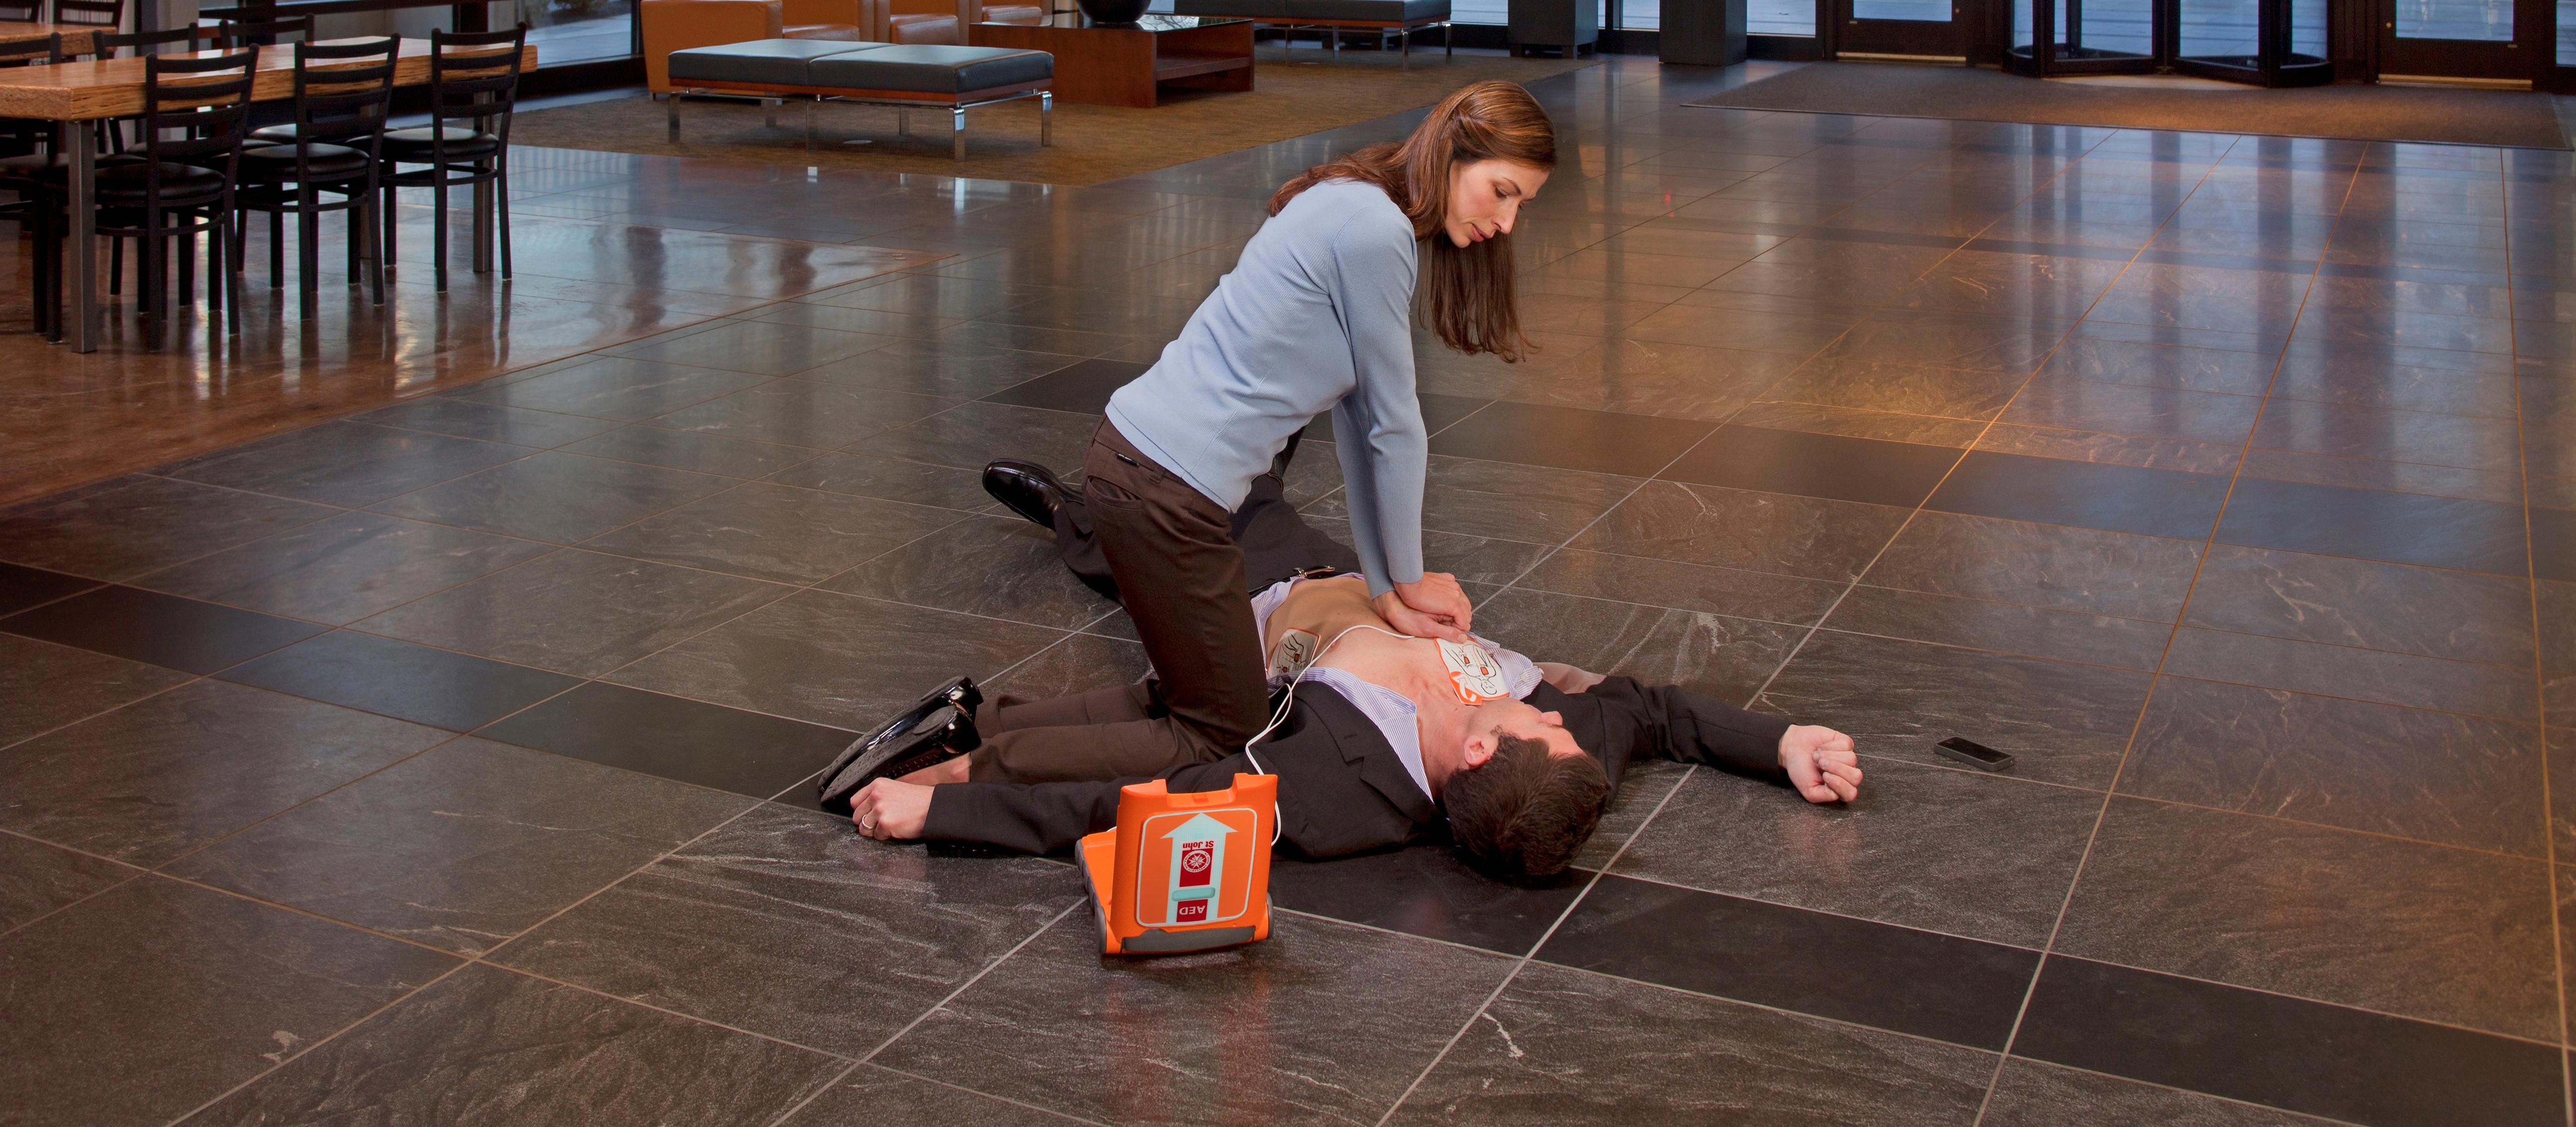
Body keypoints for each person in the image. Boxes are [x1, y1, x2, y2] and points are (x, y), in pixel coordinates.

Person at [829, 467, 1863, 880]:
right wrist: (1783, 744)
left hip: (1236, 605)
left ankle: (1069, 511)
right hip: (1328, 563)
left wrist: (942, 820)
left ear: (1473, 752)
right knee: (1240, 473)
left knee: (1139, 517)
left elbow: (1130, 808)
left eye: (1538, 722)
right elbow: (1654, 712)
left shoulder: (1324, 798)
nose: (1559, 707)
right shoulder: (1561, 751)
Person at [974, 80, 1559, 790]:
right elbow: (1395, 425)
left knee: (1200, 698)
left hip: (1148, 469)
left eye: (1520, 204)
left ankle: (973, 726)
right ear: (1453, 155)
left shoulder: (1352, 197)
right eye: (1501, 191)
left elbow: (1360, 418)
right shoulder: (1374, 230)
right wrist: (1408, 579)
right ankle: (967, 774)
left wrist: (1386, 587)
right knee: (1219, 732)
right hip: (1165, 493)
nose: (1505, 221)